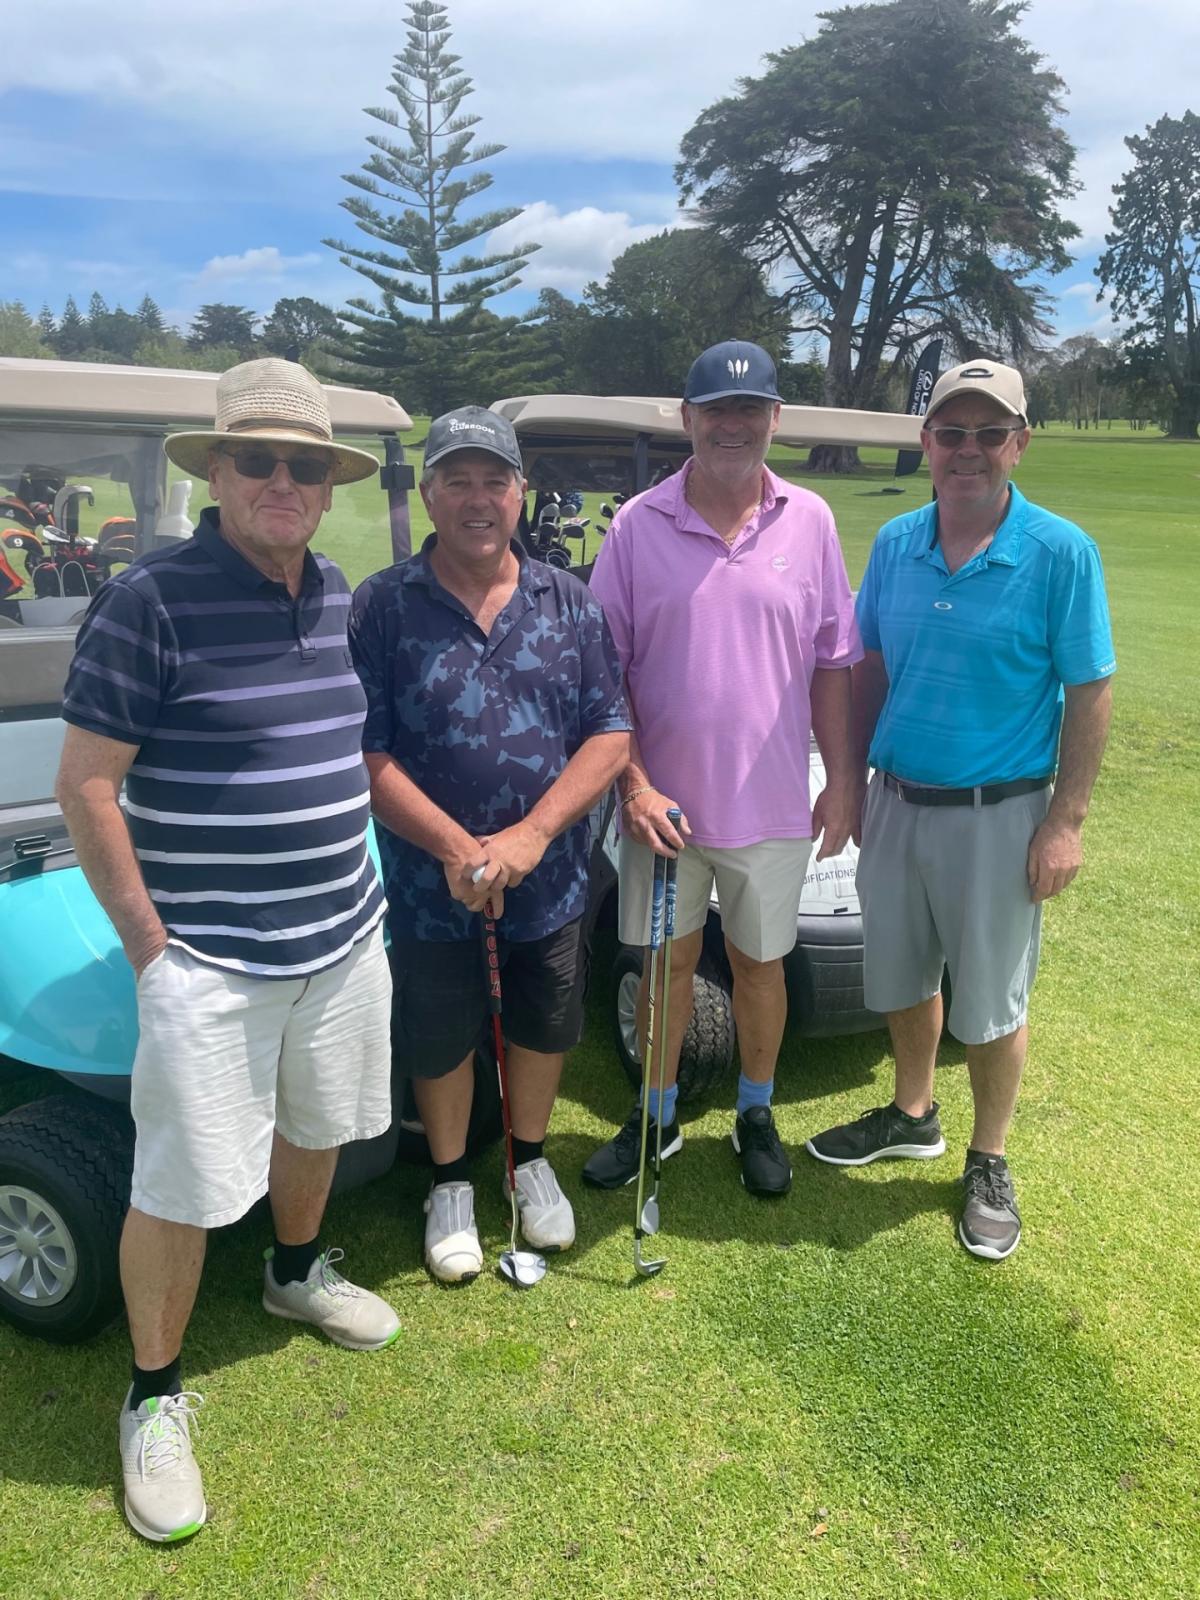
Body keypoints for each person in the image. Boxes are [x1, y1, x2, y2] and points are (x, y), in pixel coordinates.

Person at [56, 359, 400, 1544]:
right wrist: (154, 949)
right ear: (219, 471)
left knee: (318, 1123)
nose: (284, 481)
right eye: (260, 460)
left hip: (343, 934)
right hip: (207, 956)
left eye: (306, 464)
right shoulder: (148, 599)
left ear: (327, 484)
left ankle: (294, 1272)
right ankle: (153, 1394)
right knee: (181, 1183)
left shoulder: (336, 590)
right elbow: (87, 786)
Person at [805, 358, 1116, 1261]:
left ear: (1020, 444)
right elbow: (868, 668)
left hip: (999, 814)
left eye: (989, 433)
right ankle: (913, 1114)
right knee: (903, 977)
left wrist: (1066, 821)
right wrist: (851, 779)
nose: (968, 449)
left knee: (991, 1000)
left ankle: (989, 1156)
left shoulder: (1060, 551)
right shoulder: (896, 541)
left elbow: (1090, 690)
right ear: (926, 441)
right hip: (898, 802)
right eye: (951, 432)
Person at [349, 406, 630, 1284]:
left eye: (494, 481)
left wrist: (530, 836)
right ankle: (448, 1183)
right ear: (430, 494)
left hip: (548, 878)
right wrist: (453, 847)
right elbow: (366, 751)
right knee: (438, 1032)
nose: (478, 499)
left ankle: (529, 1160)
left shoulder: (568, 601)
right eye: (457, 481)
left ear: (520, 493)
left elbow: (610, 733)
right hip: (430, 884)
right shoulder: (383, 605)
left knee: (545, 1023)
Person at [582, 340, 861, 1198]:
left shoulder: (811, 520)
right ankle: (657, 1115)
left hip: (771, 807)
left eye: (749, 410)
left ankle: (755, 1112)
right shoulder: (638, 525)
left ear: (775, 418)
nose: (732, 426)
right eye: (715, 411)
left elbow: (833, 662)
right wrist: (633, 786)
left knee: (759, 968)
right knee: (664, 967)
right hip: (661, 811)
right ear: (688, 419)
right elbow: (605, 674)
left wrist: (841, 780)